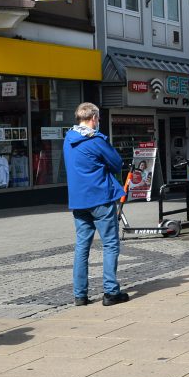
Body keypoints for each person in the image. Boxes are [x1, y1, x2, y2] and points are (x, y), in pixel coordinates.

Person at [63, 102, 130, 307]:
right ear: (94, 118)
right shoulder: (95, 140)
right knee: (110, 243)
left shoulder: (68, 140)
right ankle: (110, 292)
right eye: (98, 119)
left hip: (78, 201)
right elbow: (116, 163)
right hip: (99, 198)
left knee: (82, 246)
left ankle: (80, 295)